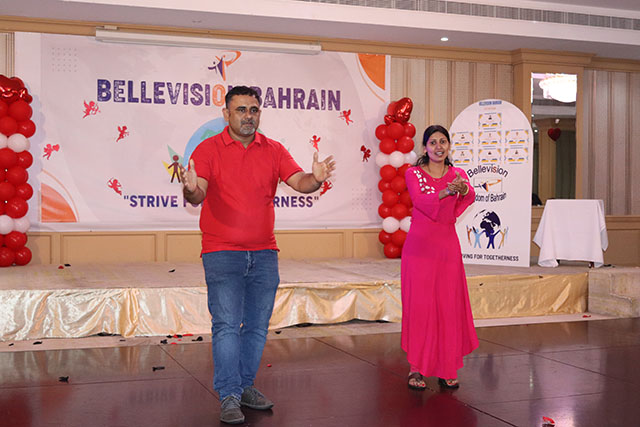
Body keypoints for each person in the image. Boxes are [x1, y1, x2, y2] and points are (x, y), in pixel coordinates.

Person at [179, 86, 335, 424]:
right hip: (222, 253)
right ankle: (229, 394)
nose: (248, 116)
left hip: (264, 254)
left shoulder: (273, 149)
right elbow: (197, 192)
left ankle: (245, 386)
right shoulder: (208, 149)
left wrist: (316, 179)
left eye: (253, 110)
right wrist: (190, 188)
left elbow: (300, 181)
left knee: (257, 327)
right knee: (226, 326)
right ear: (226, 114)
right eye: (241, 110)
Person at [400, 124, 478, 391]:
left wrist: (462, 190)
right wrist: (447, 191)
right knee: (420, 307)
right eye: (433, 142)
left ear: (449, 146)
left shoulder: (458, 174)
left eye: (443, 141)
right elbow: (421, 201)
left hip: (447, 248)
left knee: (447, 306)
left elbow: (470, 195)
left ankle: (447, 368)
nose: (438, 147)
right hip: (419, 249)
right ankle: (416, 368)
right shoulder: (413, 173)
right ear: (425, 148)